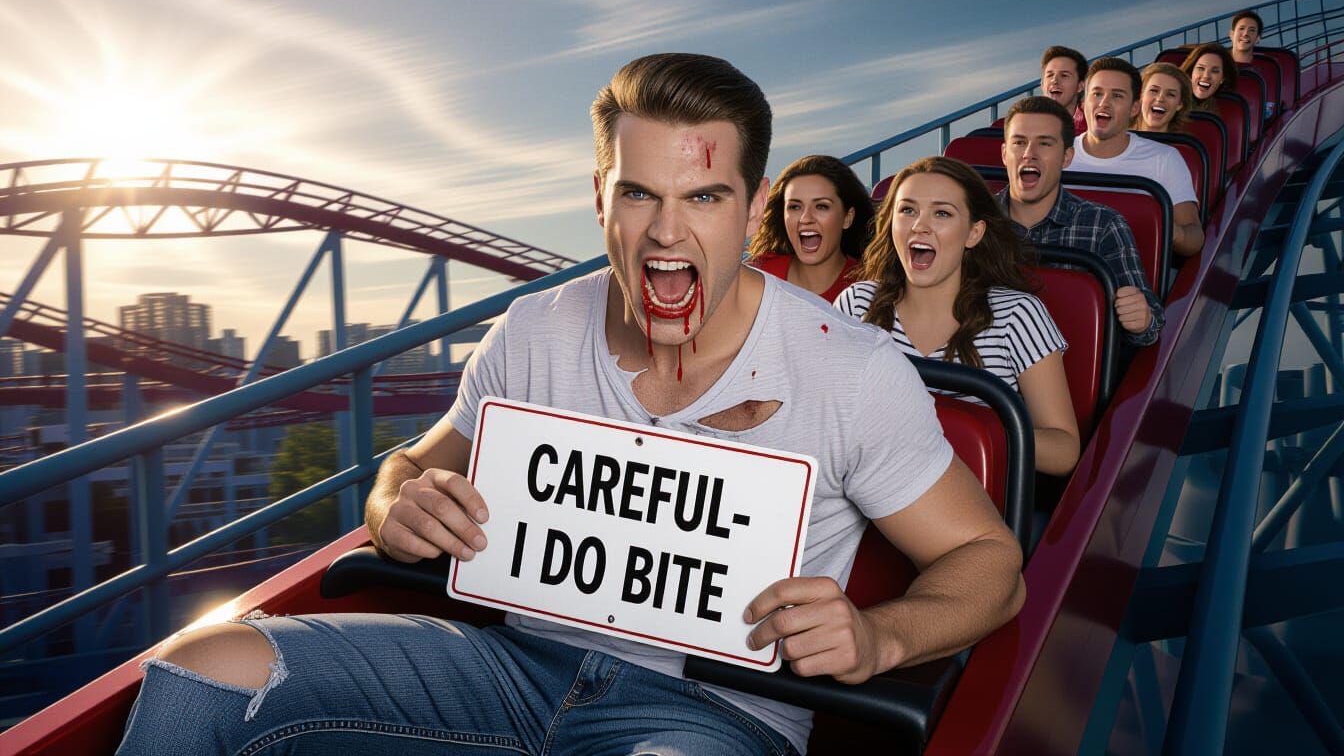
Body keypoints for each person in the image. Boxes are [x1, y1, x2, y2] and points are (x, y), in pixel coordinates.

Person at [115, 53, 1025, 756]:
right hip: (509, 667)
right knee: (197, 669)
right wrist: (397, 503)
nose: (668, 231)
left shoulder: (851, 369)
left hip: (712, 710)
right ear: (601, 201)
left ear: (751, 210)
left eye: (703, 197)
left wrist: (878, 636)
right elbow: (410, 470)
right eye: (639, 195)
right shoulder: (532, 329)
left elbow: (989, 562)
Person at [834, 156, 1080, 477]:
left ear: (974, 234)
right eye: (907, 210)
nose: (920, 225)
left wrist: (961, 434)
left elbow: (1064, 451)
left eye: (942, 213)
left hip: (974, 505)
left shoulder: (1018, 316)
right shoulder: (856, 305)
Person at [999, 96, 1164, 346]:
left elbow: (1149, 327)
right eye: (1019, 142)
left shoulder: (1104, 225)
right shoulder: (972, 220)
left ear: (1067, 157)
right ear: (1004, 153)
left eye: (1044, 144)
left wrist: (1142, 319)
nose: (1029, 154)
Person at [1068, 57, 1205, 257]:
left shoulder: (1165, 158)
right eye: (1097, 94)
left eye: (1117, 96)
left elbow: (1194, 237)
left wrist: (1165, 226)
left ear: (1134, 108)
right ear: (1083, 102)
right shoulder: (1056, 154)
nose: (1104, 103)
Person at [746, 154, 874, 303]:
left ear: (848, 217)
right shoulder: (757, 276)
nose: (806, 218)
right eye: (795, 207)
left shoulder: (870, 288)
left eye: (821, 206)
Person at [1041, 45, 1089, 137]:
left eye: (1064, 75)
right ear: (1042, 84)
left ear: (1080, 86)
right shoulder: (1015, 126)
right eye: (1050, 75)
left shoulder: (1094, 129)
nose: (1054, 81)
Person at [1131, 63, 1193, 134]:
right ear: (1141, 95)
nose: (1160, 98)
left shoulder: (1185, 144)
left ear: (1180, 104)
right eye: (1154, 90)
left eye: (1170, 94)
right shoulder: (1117, 139)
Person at [1179, 42, 1238, 112]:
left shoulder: (1227, 109)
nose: (1206, 76)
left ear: (1223, 78)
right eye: (1201, 68)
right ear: (1191, 72)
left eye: (1214, 71)